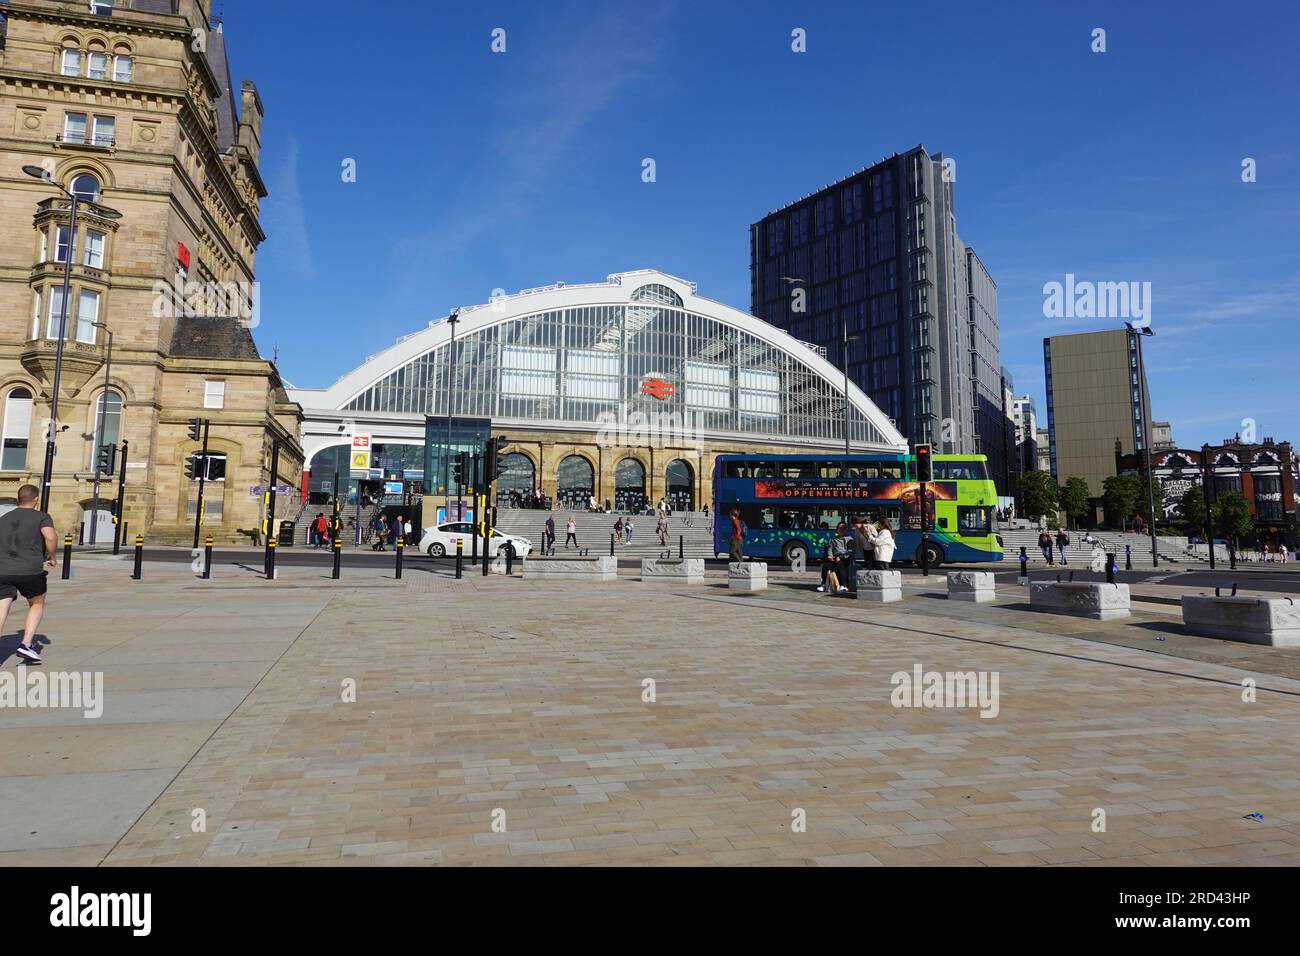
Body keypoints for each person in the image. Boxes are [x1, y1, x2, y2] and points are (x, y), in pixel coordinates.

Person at [0, 485, 57, 663]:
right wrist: (52, 555)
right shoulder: (42, 517)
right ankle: (26, 644)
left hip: (2, 569)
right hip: (30, 570)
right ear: (36, 499)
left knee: (2, 607)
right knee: (36, 602)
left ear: (18, 499)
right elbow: (50, 536)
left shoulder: (3, 518)